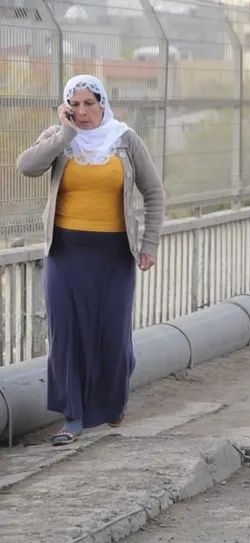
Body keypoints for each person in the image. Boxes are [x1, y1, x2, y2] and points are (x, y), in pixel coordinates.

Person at [15, 74, 164, 446]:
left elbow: (154, 192)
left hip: (114, 254)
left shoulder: (125, 139)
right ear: (66, 106)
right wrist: (64, 134)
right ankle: (73, 417)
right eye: (74, 104)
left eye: (89, 104)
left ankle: (113, 402)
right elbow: (26, 167)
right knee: (66, 335)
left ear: (103, 104)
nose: (82, 112)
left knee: (112, 335)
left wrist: (149, 244)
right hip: (65, 253)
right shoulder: (59, 138)